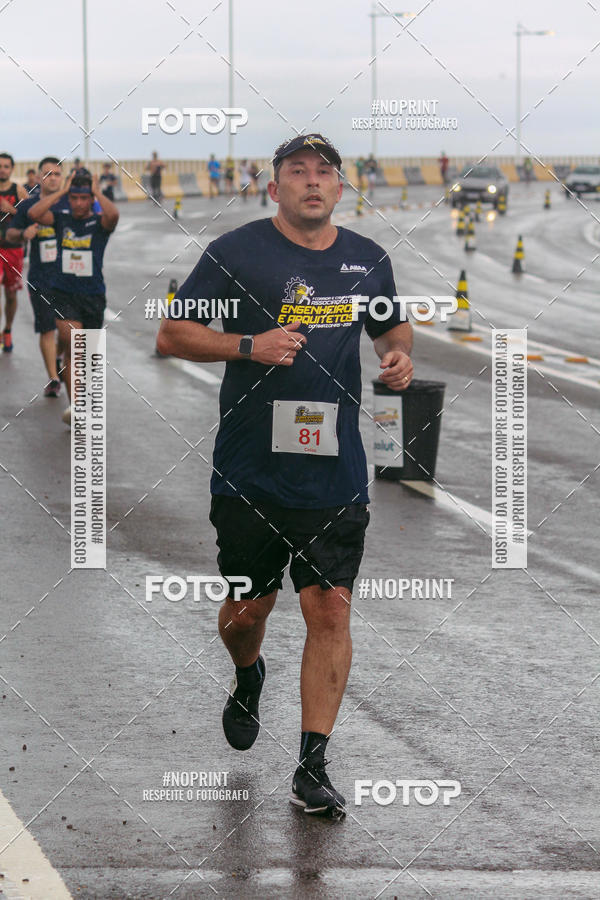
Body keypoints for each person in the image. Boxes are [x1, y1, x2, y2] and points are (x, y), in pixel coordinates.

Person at [156, 133, 413, 819]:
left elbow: (392, 329)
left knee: (328, 607)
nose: (311, 181)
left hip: (335, 474)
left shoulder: (367, 260)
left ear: (339, 187)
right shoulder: (235, 254)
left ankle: (312, 764)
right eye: (296, 171)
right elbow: (172, 334)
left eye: (324, 172)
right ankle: (248, 672)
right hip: (250, 471)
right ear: (274, 187)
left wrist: (396, 358)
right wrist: (248, 344)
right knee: (249, 611)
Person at [29, 172, 119, 424]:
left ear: (91, 199)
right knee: (72, 343)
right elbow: (34, 214)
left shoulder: (99, 223)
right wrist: (61, 192)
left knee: (87, 353)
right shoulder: (61, 218)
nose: (78, 203)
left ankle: (84, 401)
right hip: (63, 292)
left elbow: (114, 216)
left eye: (84, 198)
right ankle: (77, 406)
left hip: (93, 295)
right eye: (74, 198)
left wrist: (97, 191)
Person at [6, 157, 66, 395]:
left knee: (66, 331)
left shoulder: (70, 205)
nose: (53, 178)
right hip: (41, 277)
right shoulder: (27, 206)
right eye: (48, 174)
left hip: (68, 279)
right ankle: (53, 379)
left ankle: (58, 358)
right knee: (47, 327)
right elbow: (9, 234)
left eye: (57, 174)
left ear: (62, 178)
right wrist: (24, 233)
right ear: (40, 178)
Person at [0, 152, 27, 352]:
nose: (2, 169)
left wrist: (11, 209)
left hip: (13, 250)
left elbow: (30, 217)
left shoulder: (18, 190)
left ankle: (7, 330)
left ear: (12, 169)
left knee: (10, 294)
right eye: (0, 166)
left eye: (6, 166)